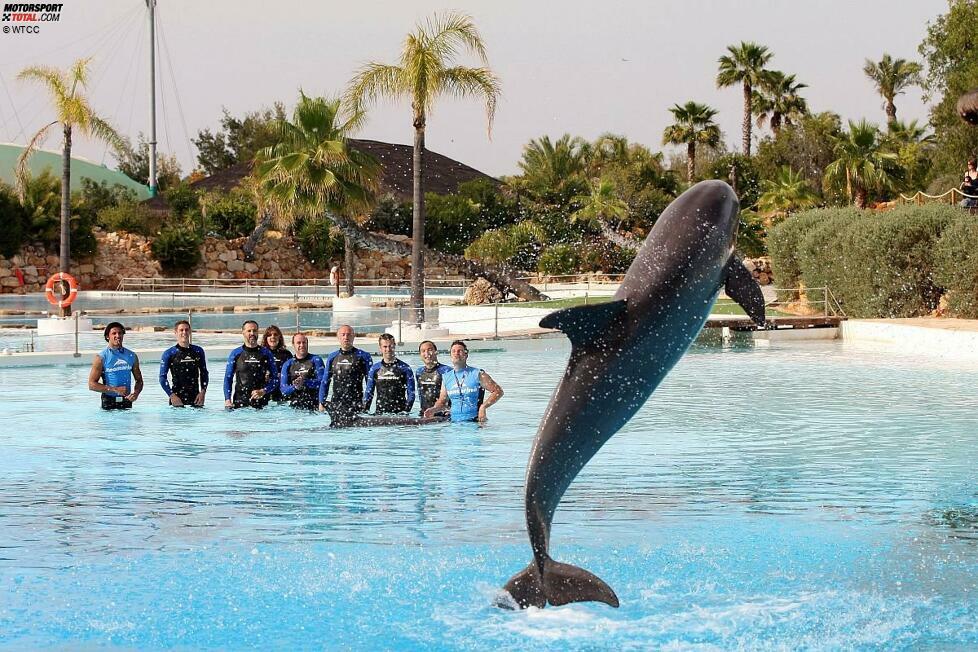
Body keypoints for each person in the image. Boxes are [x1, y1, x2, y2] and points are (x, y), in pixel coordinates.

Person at [424, 340, 503, 423]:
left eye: (460, 351)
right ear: (450, 355)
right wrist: (433, 410)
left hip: (474, 421)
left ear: (466, 355)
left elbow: (498, 391)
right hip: (454, 422)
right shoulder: (446, 377)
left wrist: (483, 407)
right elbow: (442, 402)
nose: (456, 353)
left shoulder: (477, 374)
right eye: (453, 351)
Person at [319, 324, 373, 425]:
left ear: (353, 336)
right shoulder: (332, 357)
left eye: (349, 334)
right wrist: (321, 401)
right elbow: (325, 381)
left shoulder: (363, 356)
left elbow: (370, 383)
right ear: (338, 337)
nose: (346, 337)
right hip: (336, 403)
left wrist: (367, 404)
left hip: (356, 404)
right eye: (343, 334)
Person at [88, 321, 143, 410]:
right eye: (114, 333)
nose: (117, 336)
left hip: (126, 401)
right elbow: (92, 384)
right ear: (107, 336)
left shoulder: (132, 356)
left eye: (120, 333)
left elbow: (139, 380)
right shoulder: (101, 357)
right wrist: (115, 389)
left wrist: (136, 394)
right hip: (109, 401)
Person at [224, 320, 278, 409]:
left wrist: (263, 391)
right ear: (243, 332)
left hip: (261, 404)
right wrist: (227, 399)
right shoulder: (236, 353)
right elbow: (228, 378)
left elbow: (275, 379)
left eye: (255, 330)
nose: (252, 333)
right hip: (240, 402)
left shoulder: (266, 353)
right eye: (249, 331)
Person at [159, 320, 209, 407]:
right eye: (181, 330)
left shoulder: (198, 351)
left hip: (196, 399)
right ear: (176, 332)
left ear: (190, 332)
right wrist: (172, 396)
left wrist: (203, 392)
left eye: (186, 330)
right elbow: (162, 377)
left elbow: (204, 373)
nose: (184, 332)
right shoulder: (169, 353)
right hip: (177, 400)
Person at [363, 333, 416, 415]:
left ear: (394, 346)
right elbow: (369, 393)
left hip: (399, 414)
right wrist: (365, 412)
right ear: (380, 348)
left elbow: (411, 394)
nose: (388, 349)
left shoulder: (405, 368)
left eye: (390, 346)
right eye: (385, 347)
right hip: (380, 414)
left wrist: (405, 412)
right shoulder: (374, 369)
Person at [279, 332, 325, 410]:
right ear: (293, 345)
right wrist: (295, 386)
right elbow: (283, 389)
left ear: (307, 344)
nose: (302, 345)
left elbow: (323, 382)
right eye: (298, 343)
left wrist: (305, 382)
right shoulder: (288, 364)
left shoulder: (316, 360)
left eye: (304, 342)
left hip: (314, 405)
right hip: (295, 406)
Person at [415, 340, 451, 416]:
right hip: (424, 414)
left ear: (436, 352)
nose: (427, 354)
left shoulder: (446, 370)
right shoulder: (419, 372)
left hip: (442, 415)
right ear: (420, 354)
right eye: (423, 351)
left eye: (430, 350)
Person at [262, 324, 293, 402]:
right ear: (266, 338)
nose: (273, 337)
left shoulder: (286, 354)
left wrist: (282, 375)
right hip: (265, 390)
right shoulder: (261, 353)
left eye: (275, 334)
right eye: (269, 335)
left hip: (280, 390)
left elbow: (292, 372)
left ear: (279, 337)